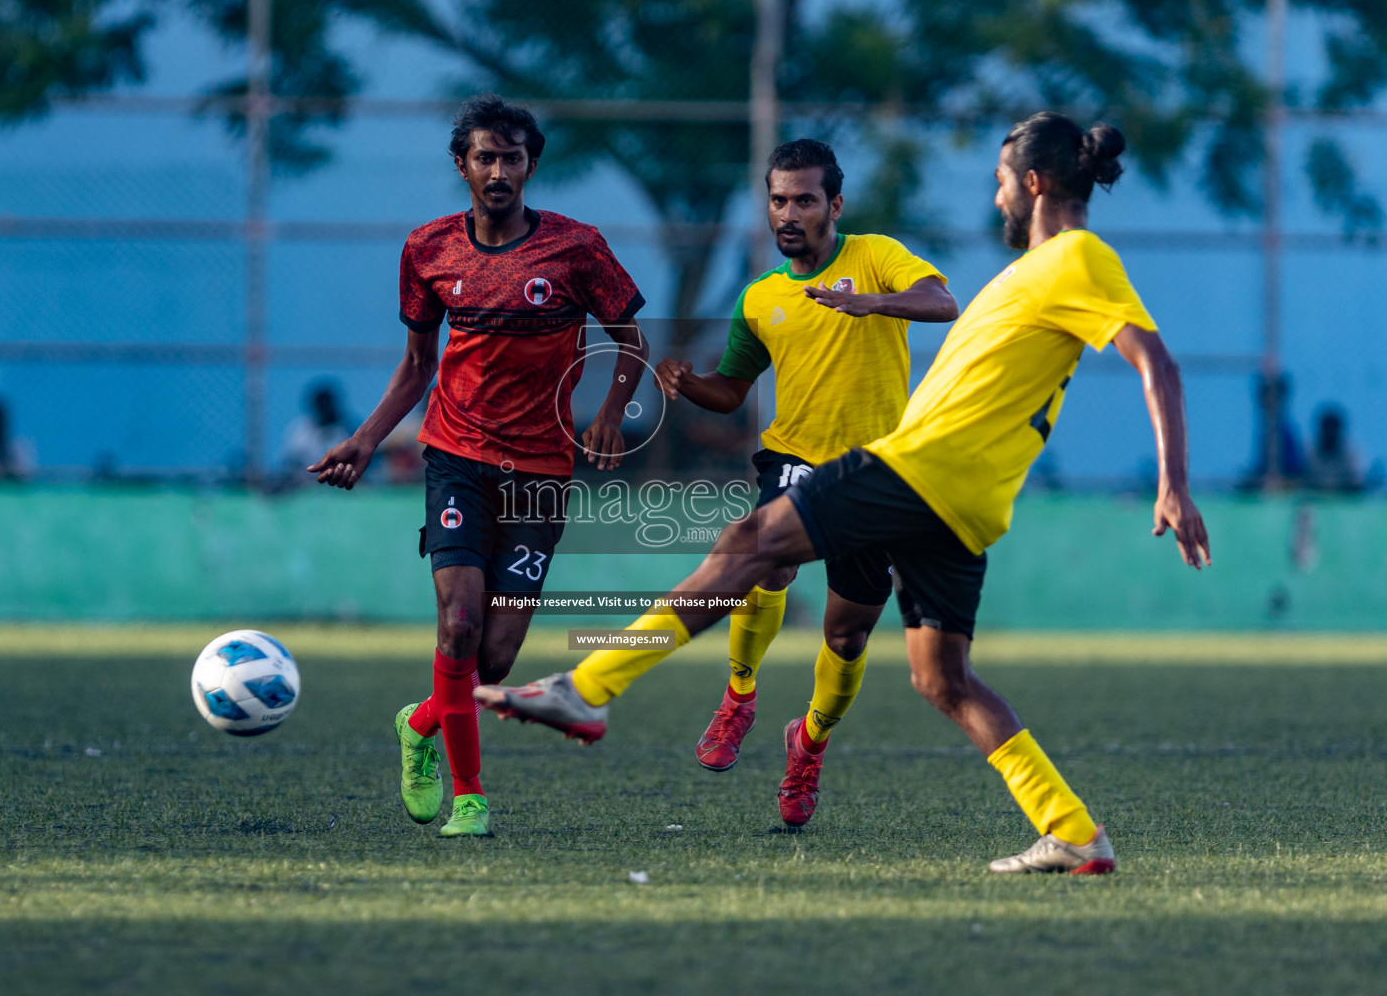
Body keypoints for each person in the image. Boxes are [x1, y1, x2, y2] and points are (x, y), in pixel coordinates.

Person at [478, 112, 1212, 876]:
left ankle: (589, 687)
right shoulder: (1029, 274)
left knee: (748, 545)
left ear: (1032, 184)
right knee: (942, 679)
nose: (995, 199)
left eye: (1000, 183)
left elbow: (1156, 361)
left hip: (920, 470)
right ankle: (1073, 830)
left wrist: (1175, 484)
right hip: (964, 503)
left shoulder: (1075, 257)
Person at [307, 94, 649, 838]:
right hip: (456, 456)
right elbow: (415, 366)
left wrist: (612, 416)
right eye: (485, 157)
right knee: (458, 626)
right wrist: (365, 440)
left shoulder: (576, 249)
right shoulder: (427, 249)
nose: (499, 170)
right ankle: (470, 799)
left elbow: (631, 342)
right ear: (461, 165)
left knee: (489, 664)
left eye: (513, 157)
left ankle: (420, 720)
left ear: (532, 165)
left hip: (541, 470)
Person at [651, 138, 957, 825]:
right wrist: (689, 385)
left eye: (805, 200)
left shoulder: (876, 256)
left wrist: (874, 305)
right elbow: (732, 390)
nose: (789, 213)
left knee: (847, 636)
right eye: (778, 200)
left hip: (875, 475)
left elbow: (944, 303)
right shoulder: (760, 299)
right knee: (764, 567)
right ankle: (738, 695)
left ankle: (809, 742)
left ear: (834, 205)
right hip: (793, 460)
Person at [280, 382, 352, 480]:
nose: (326, 410)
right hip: (304, 482)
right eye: (322, 406)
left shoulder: (348, 429)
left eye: (328, 406)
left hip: (338, 480)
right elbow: (291, 461)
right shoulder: (300, 431)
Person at [1307, 405, 1364, 493]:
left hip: (1344, 501)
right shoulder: (1309, 453)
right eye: (1327, 430)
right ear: (1321, 430)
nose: (1330, 434)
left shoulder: (1351, 454)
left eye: (1333, 430)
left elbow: (1357, 483)